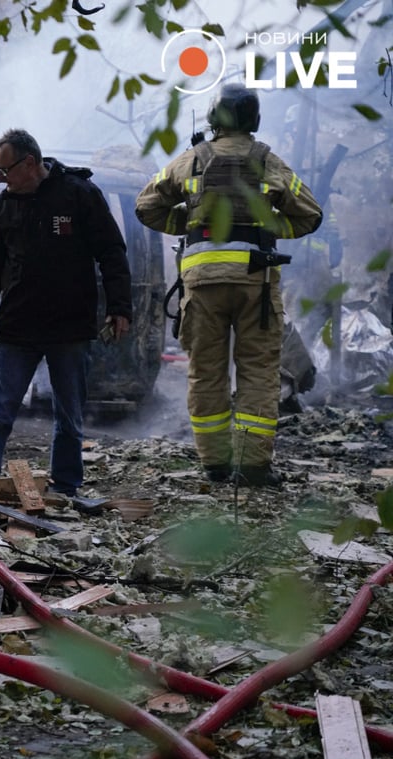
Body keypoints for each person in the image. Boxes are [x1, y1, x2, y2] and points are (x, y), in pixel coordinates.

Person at [134, 83, 323, 487]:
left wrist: (189, 224)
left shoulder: (191, 159)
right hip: (255, 280)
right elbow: (310, 215)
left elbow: (145, 206)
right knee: (258, 371)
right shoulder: (268, 161)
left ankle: (215, 465)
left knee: (206, 373)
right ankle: (252, 467)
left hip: (202, 283)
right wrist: (268, 225)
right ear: (253, 119)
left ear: (212, 118)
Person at [0, 129, 133, 495]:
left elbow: (112, 253)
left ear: (31, 163)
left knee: (68, 414)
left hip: (70, 327)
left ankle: (66, 486)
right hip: (19, 327)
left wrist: (119, 307)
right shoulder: (0, 209)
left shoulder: (79, 194)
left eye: (5, 170)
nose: (0, 178)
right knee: (0, 408)